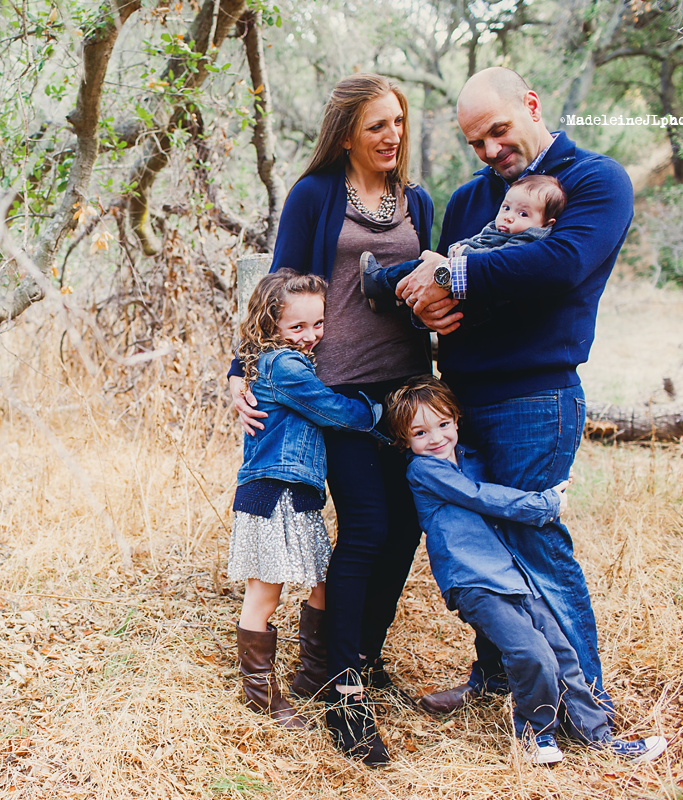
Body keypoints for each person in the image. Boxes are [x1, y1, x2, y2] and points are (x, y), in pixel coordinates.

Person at [393, 67, 634, 716]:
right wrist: (429, 308)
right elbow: (440, 283)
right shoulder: (472, 199)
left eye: (499, 131)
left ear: (531, 104)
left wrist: (456, 273)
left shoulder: (594, 181)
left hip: (535, 399)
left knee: (537, 547)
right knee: (485, 544)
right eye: (476, 142)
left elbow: (559, 267)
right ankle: (500, 680)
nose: (491, 151)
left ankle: (588, 710)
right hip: (463, 396)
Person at [228, 73, 433, 765]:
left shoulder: (418, 201)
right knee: (369, 526)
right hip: (341, 394)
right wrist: (240, 370)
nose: (392, 135)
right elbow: (277, 286)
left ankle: (353, 661)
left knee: (405, 527)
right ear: (346, 131)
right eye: (378, 124)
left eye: (399, 122)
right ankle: (345, 696)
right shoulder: (316, 195)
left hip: (402, 392)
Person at [385, 377, 668, 765]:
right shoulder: (424, 471)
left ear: (456, 420)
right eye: (420, 432)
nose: (435, 438)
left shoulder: (473, 459)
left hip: (514, 575)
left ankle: (598, 737)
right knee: (532, 653)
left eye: (443, 424)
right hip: (474, 581)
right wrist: (543, 504)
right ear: (405, 440)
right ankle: (536, 736)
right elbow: (481, 496)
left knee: (564, 654)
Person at [229, 269, 384, 733]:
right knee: (265, 592)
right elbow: (333, 411)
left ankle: (313, 674)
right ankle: (261, 695)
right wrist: (379, 409)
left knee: (321, 582)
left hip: (297, 493)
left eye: (318, 325)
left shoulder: (285, 359)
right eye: (297, 327)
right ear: (269, 323)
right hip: (272, 491)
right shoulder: (284, 366)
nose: (311, 336)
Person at [360, 175, 566, 315]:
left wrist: (462, 255)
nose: (509, 217)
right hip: (465, 287)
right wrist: (459, 248)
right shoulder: (497, 224)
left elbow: (503, 258)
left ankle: (379, 282)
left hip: (479, 297)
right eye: (506, 207)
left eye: (523, 213)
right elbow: (479, 241)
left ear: (546, 224)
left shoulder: (529, 239)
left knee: (420, 268)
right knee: (427, 272)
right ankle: (393, 298)